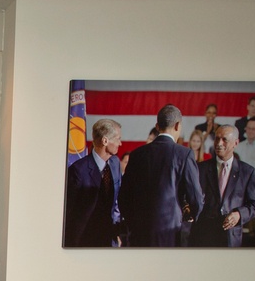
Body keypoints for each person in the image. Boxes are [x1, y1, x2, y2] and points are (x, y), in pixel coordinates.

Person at [119, 104, 203, 247]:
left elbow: (123, 196)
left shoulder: (137, 154)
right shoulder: (184, 154)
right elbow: (195, 196)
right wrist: (192, 214)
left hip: (138, 232)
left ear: (157, 126)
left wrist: (133, 222)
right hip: (169, 231)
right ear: (177, 126)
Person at [191, 125, 255, 248]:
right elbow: (190, 196)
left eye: (224, 139)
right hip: (203, 236)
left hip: (230, 238)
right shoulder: (200, 169)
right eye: (217, 139)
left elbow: (254, 205)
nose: (219, 143)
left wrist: (239, 214)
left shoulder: (247, 172)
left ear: (236, 143)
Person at [63, 118, 123, 247]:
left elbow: (118, 200)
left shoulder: (115, 163)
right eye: (118, 139)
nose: (120, 143)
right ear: (105, 141)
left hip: (110, 239)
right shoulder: (78, 171)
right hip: (85, 241)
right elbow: (69, 212)